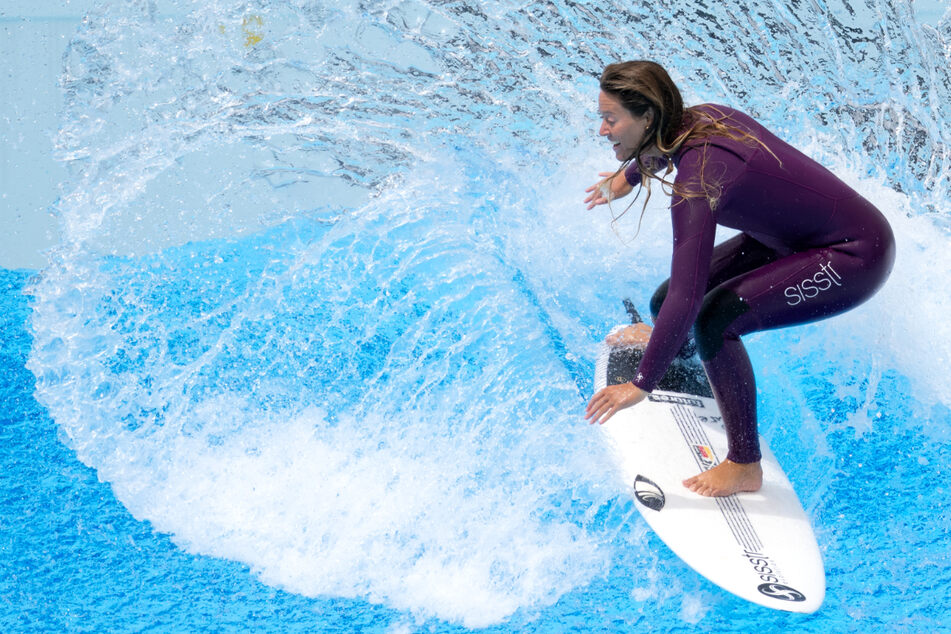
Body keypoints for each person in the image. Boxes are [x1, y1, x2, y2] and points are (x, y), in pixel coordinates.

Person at [582, 61, 895, 497]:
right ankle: (682, 353)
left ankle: (745, 465)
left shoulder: (697, 184)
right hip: (788, 236)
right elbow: (666, 145)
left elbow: (691, 295)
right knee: (663, 302)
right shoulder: (699, 116)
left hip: (853, 253)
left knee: (712, 318)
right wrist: (631, 175)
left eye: (610, 119)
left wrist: (641, 384)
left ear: (647, 117)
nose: (602, 130)